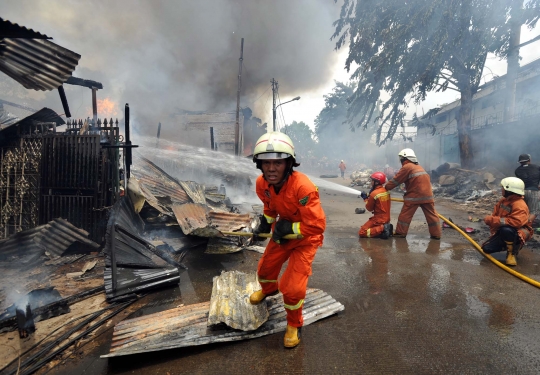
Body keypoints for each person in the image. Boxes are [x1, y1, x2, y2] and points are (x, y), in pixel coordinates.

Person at [249, 131, 326, 348]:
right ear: (259, 164)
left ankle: (294, 324)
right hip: (283, 235)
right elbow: (269, 206)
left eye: (278, 163)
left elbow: (317, 226)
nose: (271, 169)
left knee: (292, 289)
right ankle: (268, 290)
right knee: (264, 270)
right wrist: (265, 223)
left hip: (306, 239)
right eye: (266, 163)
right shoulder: (261, 183)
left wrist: (288, 226)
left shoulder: (303, 187)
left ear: (289, 163)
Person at [384, 148, 441, 239]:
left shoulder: (407, 167)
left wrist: (385, 188)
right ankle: (436, 235)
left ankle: (400, 233)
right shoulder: (419, 167)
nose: (401, 161)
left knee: (405, 215)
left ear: (405, 158)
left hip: (415, 196)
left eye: (401, 159)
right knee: (432, 215)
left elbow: (396, 180)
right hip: (428, 196)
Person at [481, 177, 533, 266]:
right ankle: (506, 244)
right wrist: (494, 229)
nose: (502, 189)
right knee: (487, 249)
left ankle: (512, 252)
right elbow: (496, 215)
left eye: (503, 188)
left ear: (509, 190)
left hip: (518, 231)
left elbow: (516, 222)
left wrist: (492, 220)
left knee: (506, 229)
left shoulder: (519, 204)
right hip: (504, 230)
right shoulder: (504, 201)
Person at [358, 172, 392, 239]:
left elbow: (369, 208)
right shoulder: (386, 191)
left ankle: (383, 228)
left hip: (379, 219)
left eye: (372, 181)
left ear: (376, 182)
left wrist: (365, 198)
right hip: (387, 218)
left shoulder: (374, 194)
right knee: (372, 229)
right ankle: (384, 229)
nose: (371, 182)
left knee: (362, 232)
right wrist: (370, 195)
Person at [514, 153, 540, 224]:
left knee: (524, 210)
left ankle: (520, 223)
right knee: (534, 211)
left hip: (522, 192)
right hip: (534, 191)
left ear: (520, 162)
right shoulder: (537, 167)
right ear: (529, 160)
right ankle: (526, 225)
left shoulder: (517, 170)